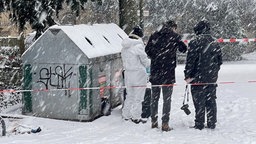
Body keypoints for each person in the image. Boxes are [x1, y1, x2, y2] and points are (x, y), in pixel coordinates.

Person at [145, 20, 187, 131]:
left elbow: (147, 50)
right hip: (168, 72)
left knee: (154, 99)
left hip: (155, 72)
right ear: (173, 27)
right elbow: (184, 49)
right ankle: (165, 124)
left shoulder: (154, 35)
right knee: (166, 99)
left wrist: (156, 57)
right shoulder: (174, 36)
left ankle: (154, 122)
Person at [184, 20, 223, 130]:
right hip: (211, 77)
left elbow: (190, 61)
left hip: (197, 77)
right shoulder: (215, 42)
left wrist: (188, 75)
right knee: (211, 100)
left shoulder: (194, 42)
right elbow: (220, 61)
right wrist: (214, 71)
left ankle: (199, 123)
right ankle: (211, 122)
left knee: (199, 101)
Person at [121, 26, 150, 124]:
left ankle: (126, 115)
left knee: (129, 96)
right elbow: (145, 62)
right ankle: (136, 117)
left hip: (128, 74)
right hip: (138, 74)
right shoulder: (138, 45)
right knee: (138, 97)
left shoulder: (124, 47)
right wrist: (150, 62)